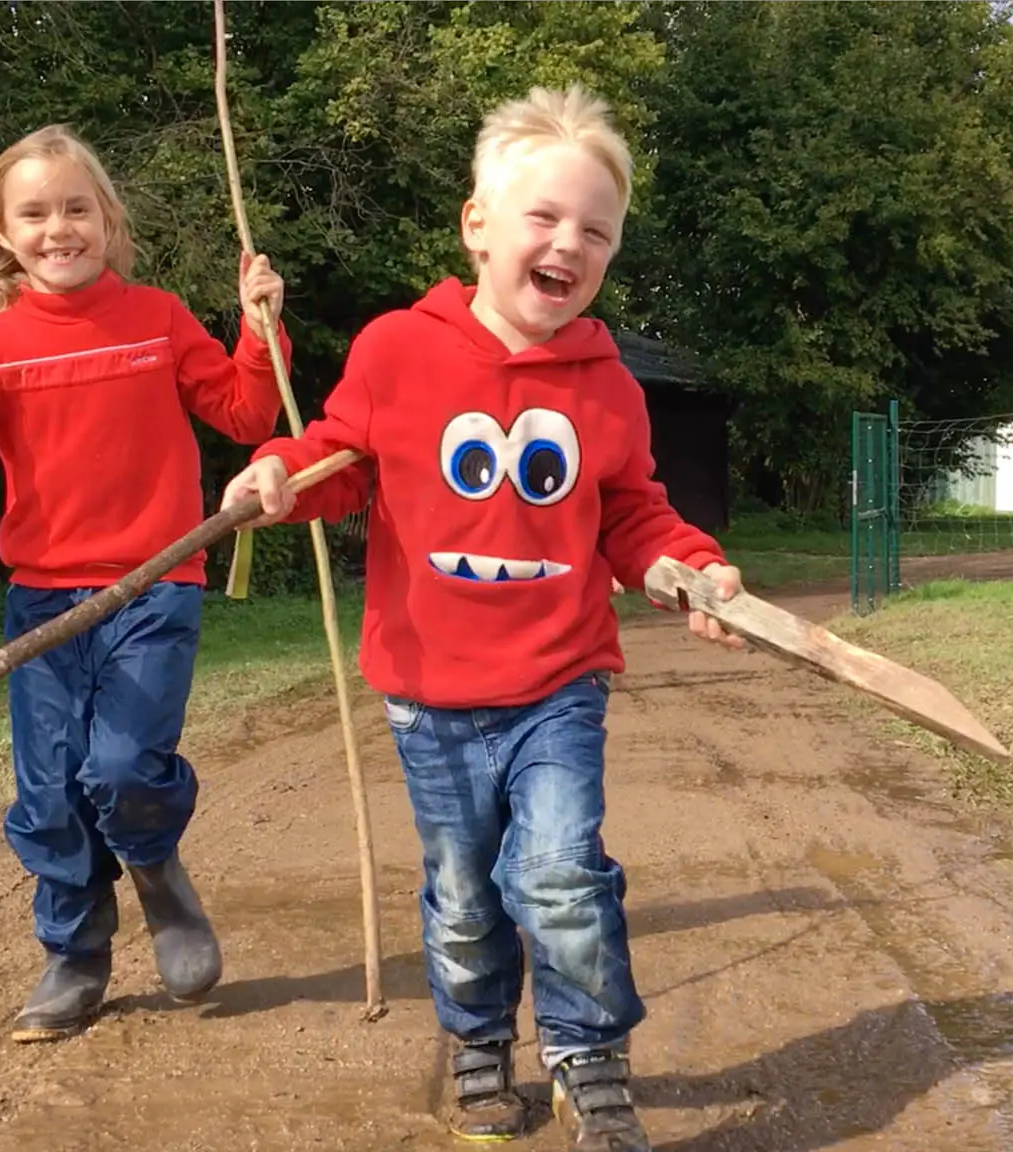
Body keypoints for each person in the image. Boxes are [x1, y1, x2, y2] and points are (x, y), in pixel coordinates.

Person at [219, 84, 744, 1151]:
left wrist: (690, 568)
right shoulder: (395, 351)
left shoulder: (609, 387)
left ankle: (587, 1056)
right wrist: (276, 471)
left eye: (594, 231)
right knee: (463, 892)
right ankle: (474, 1040)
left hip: (557, 683)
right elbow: (338, 461)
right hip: (427, 696)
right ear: (476, 226)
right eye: (543, 218)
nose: (568, 243)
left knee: (557, 871)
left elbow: (634, 514)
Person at [0, 123, 293, 1043]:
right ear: (1, 235)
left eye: (76, 208)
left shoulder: (160, 317)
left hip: (156, 583)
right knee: (51, 791)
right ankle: (77, 953)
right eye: (35, 213)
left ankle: (157, 875)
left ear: (107, 218)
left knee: (123, 768)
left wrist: (260, 329)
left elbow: (247, 410)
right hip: (45, 607)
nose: (58, 228)